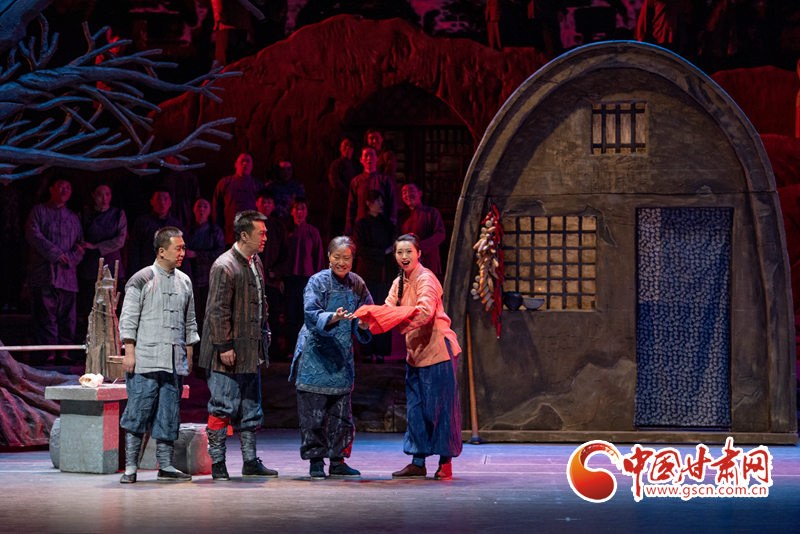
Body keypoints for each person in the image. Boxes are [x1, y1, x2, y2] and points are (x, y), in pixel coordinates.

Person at [199, 210, 277, 481]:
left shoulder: (255, 262)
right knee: (222, 405)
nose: (265, 237)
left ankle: (250, 461)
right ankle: (218, 463)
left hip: (249, 349)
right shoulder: (225, 266)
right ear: (244, 235)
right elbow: (217, 310)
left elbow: (260, 302)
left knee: (250, 406)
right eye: (261, 233)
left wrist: (264, 331)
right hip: (227, 351)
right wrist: (223, 346)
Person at [118, 226, 198, 483]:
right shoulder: (141, 278)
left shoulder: (184, 281)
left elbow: (190, 321)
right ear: (162, 251)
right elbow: (128, 319)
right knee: (138, 413)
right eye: (178, 248)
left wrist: (189, 354)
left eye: (183, 248)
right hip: (146, 360)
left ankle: (165, 466)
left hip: (173, 361)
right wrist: (129, 352)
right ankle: (131, 467)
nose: (182, 253)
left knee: (168, 414)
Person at [289, 236, 373, 479]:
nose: (341, 262)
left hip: (341, 355)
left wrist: (364, 324)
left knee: (341, 415)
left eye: (347, 258)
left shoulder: (357, 283)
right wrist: (333, 317)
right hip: (315, 354)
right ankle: (316, 460)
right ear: (329, 257)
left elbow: (367, 312)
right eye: (337, 257)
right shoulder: (317, 281)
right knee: (313, 414)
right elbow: (310, 313)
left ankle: (338, 460)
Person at [386, 234, 463, 480]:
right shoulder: (399, 282)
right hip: (415, 354)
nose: (404, 256)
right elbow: (388, 309)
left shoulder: (426, 278)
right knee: (416, 410)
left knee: (441, 409)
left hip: (438, 351)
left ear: (419, 253)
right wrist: (368, 320)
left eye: (409, 251)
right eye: (400, 252)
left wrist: (398, 324)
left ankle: (446, 462)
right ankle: (418, 462)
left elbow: (425, 311)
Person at [25, 176, 84, 364]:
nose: (65, 190)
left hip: (67, 277)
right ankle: (48, 354)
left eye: (68, 187)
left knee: (67, 317)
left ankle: (64, 353)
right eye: (61, 186)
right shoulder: (39, 211)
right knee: (45, 316)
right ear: (51, 189)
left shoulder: (73, 217)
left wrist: (71, 258)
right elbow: (32, 234)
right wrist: (56, 254)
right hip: (44, 274)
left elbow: (80, 245)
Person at [77, 183, 128, 342]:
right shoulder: (83, 215)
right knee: (90, 307)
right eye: (100, 194)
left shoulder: (118, 214)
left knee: (111, 309)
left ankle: (111, 343)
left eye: (107, 194)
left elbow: (120, 240)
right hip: (89, 268)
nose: (104, 198)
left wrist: (96, 246)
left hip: (111, 267)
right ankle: (90, 343)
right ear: (93, 195)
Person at [353, 190, 395, 363]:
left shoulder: (387, 224)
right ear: (369, 204)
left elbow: (393, 245)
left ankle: (381, 351)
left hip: (384, 273)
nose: (381, 204)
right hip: (367, 272)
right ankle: (367, 351)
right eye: (377, 200)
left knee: (383, 311)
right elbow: (360, 248)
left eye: (381, 200)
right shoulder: (361, 224)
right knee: (367, 311)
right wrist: (383, 252)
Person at [284, 198, 325, 358]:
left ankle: (308, 349)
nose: (300, 212)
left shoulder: (312, 232)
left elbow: (318, 257)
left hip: (307, 279)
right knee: (290, 315)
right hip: (289, 278)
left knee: (306, 315)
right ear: (292, 211)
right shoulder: (287, 230)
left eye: (303, 208)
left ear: (307, 212)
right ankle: (291, 349)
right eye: (297, 208)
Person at [182, 198, 225, 333]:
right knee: (192, 315)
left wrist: (197, 254)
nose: (201, 209)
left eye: (205, 206)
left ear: (210, 211)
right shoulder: (186, 230)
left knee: (210, 315)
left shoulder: (216, 231)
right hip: (191, 278)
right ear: (193, 209)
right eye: (199, 206)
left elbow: (219, 253)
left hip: (210, 279)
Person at [256, 189, 288, 360]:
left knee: (272, 316)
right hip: (253, 280)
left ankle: (272, 351)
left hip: (271, 280)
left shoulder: (278, 226)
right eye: (263, 202)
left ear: (273, 205)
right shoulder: (249, 224)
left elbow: (285, 253)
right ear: (257, 204)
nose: (266, 205)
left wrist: (276, 271)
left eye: (269, 203)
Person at [213, 152, 265, 245]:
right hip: (228, 235)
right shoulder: (225, 183)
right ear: (236, 164)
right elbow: (216, 209)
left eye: (248, 161)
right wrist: (217, 231)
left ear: (252, 166)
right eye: (242, 161)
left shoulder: (258, 186)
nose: (245, 163)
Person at [344, 146, 397, 236]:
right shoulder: (356, 181)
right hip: (361, 227)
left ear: (377, 158)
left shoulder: (384, 180)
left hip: (381, 226)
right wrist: (349, 230)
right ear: (361, 160)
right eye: (366, 155)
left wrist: (391, 223)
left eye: (372, 155)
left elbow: (392, 202)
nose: (369, 158)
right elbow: (351, 207)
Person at [129, 188, 183, 275]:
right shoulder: (142, 222)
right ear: (152, 202)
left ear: (170, 203)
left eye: (165, 199)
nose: (162, 202)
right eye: (158, 199)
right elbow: (134, 251)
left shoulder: (176, 225)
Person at [399, 183, 446, 277]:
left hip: (429, 263)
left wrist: (419, 247)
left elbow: (441, 234)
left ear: (420, 193)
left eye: (411, 191)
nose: (408, 194)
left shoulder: (431, 212)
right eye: (404, 192)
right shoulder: (402, 217)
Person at [154, 157, 201, 229]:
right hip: (166, 222)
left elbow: (196, 201)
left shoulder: (190, 177)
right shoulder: (162, 178)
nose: (169, 158)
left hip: (185, 223)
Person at [328, 138, 358, 238]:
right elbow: (335, 183)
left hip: (353, 206)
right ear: (340, 149)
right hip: (339, 206)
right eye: (345, 145)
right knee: (339, 233)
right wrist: (350, 194)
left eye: (350, 146)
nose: (347, 148)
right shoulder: (335, 165)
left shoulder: (356, 165)